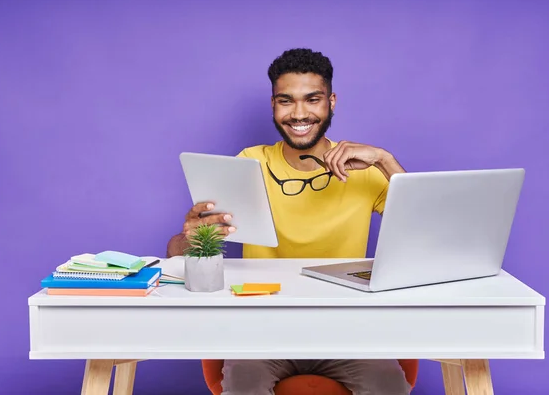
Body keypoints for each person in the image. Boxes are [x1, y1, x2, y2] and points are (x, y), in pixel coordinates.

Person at [167, 48, 411, 395]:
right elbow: (176, 252)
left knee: (388, 384)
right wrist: (190, 238)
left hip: (346, 331)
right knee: (242, 384)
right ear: (272, 105)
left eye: (312, 99)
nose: (299, 113)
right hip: (263, 330)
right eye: (286, 101)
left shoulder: (366, 168)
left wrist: (386, 160)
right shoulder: (248, 164)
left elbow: (427, 235)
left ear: (332, 102)